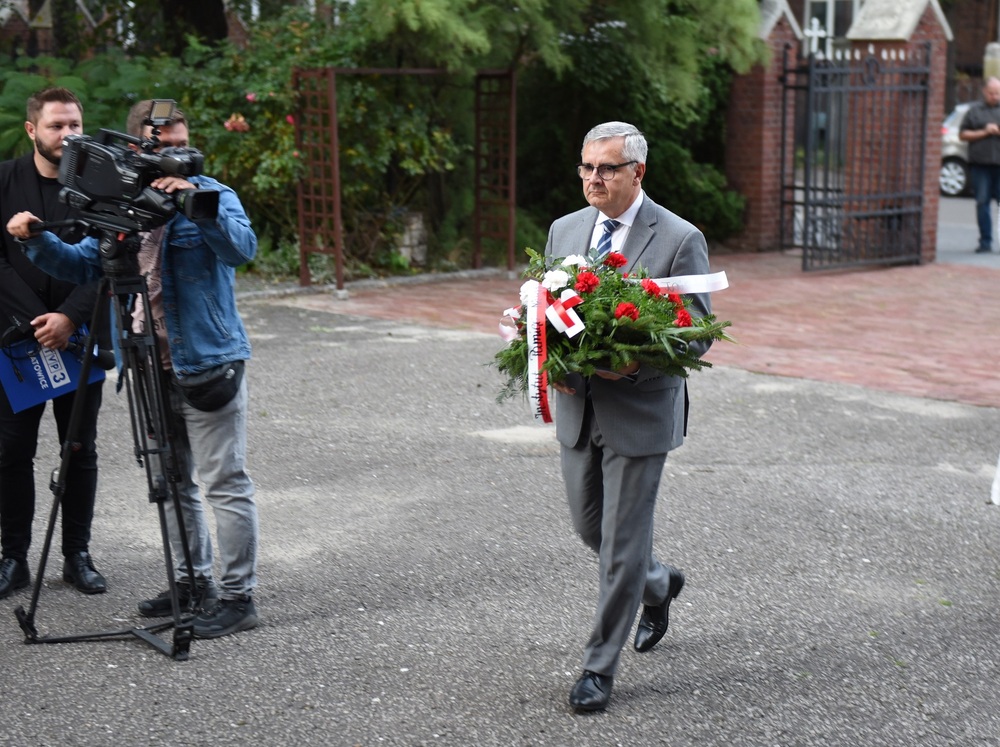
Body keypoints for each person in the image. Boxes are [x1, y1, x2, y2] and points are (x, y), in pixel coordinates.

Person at [7, 99, 260, 639]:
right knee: (170, 483)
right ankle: (191, 584)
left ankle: (238, 598)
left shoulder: (214, 192)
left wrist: (197, 200)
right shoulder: (122, 206)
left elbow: (242, 251)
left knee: (223, 482)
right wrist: (37, 241)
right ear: (136, 150)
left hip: (208, 359)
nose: (174, 157)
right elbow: (85, 265)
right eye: (161, 148)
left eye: (180, 145)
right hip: (146, 362)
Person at [545, 121, 714, 712]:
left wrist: (634, 365)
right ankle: (659, 583)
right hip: (576, 405)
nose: (594, 178)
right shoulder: (564, 229)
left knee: (619, 544)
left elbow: (696, 334)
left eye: (608, 168)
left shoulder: (678, 237)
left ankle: (599, 668)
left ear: (637, 172)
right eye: (587, 167)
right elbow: (547, 313)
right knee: (589, 528)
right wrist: (549, 358)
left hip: (640, 410)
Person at [0, 87, 109, 600]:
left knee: (79, 450)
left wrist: (68, 317)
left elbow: (110, 259)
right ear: (32, 130)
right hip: (15, 344)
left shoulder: (101, 186)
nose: (68, 136)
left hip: (80, 338)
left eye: (75, 126)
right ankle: (13, 557)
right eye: (57, 127)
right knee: (10, 452)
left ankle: (76, 555)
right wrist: (34, 322)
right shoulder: (3, 180)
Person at [959, 77, 1000, 253]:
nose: (995, 96)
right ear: (984, 91)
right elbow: (963, 134)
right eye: (992, 93)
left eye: (998, 93)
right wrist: (984, 132)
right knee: (982, 202)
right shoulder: (974, 111)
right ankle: (985, 241)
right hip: (980, 164)